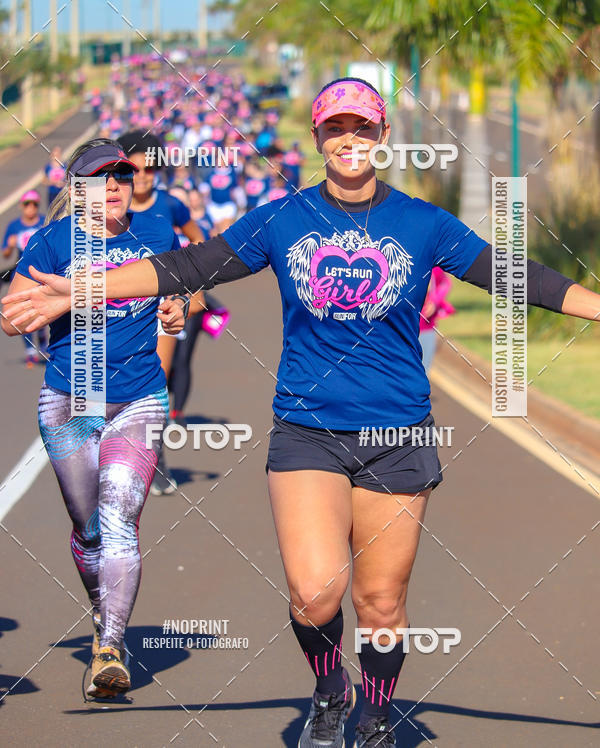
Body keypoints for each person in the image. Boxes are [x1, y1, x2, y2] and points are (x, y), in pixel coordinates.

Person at [5, 79, 600, 745]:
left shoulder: (422, 222)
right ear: (317, 138)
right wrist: (78, 287)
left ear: (382, 137)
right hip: (306, 432)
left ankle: (374, 713)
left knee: (381, 602)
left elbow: (514, 275)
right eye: (336, 128)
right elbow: (186, 266)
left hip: (396, 434)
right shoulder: (282, 219)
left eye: (364, 128)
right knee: (315, 596)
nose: (351, 140)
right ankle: (328, 689)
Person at [1, 139, 186, 700]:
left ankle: (109, 648)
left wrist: (178, 307)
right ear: (75, 190)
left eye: (121, 177)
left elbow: (182, 292)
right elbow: (11, 320)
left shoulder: (156, 234)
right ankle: (102, 602)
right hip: (70, 400)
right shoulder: (54, 241)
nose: (113, 187)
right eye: (98, 180)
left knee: (120, 522)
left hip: (140, 396)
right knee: (89, 532)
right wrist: (49, 301)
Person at [118, 129, 204, 495]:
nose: (142, 177)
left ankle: (156, 458)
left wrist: (194, 290)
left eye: (150, 170)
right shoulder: (109, 204)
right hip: (115, 310)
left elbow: (200, 243)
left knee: (155, 382)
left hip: (159, 308)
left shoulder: (170, 205)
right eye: (134, 170)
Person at [2, 190, 47, 366]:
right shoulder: (14, 226)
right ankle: (30, 351)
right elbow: (6, 254)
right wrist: (10, 246)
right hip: (22, 274)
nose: (31, 208)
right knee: (23, 313)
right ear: (22, 206)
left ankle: (42, 342)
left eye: (34, 204)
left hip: (41, 273)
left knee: (40, 311)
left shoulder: (44, 222)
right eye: (27, 204)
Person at [418, 266, 455, 373]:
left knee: (423, 371)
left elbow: (445, 283)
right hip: (400, 329)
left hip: (426, 328)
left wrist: (434, 302)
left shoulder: (432, 266)